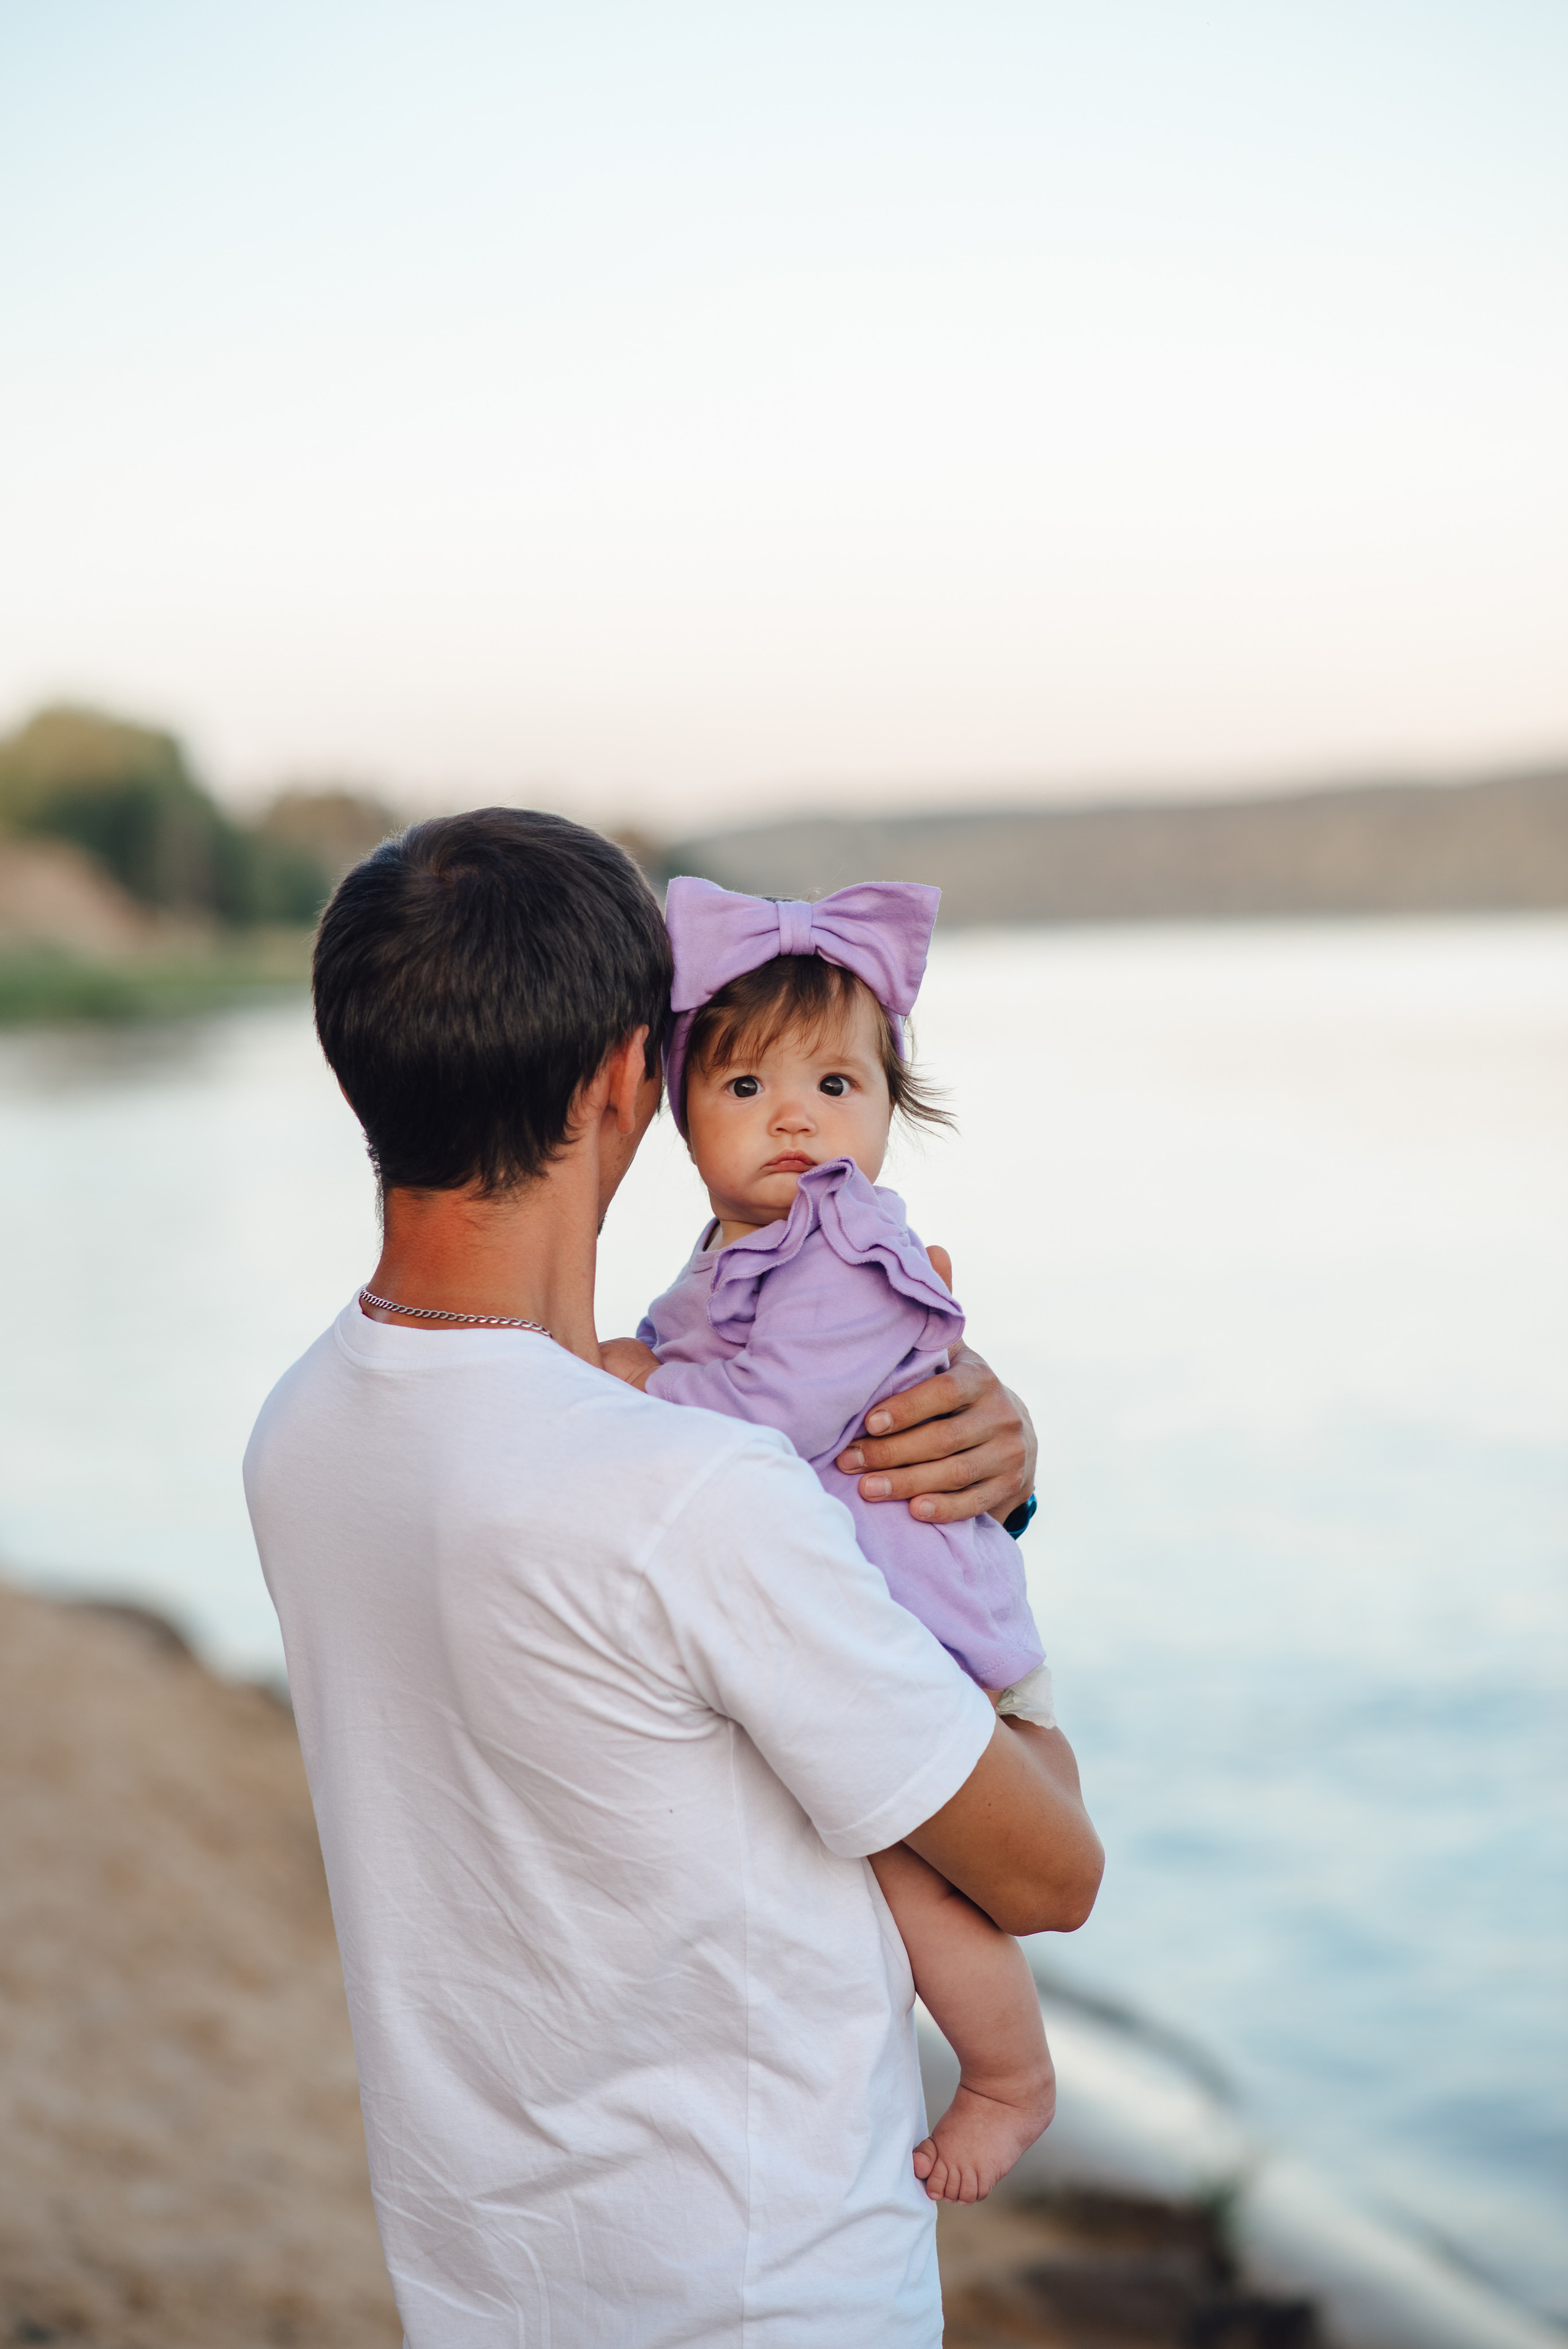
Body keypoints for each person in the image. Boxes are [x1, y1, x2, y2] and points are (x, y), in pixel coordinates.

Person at [244, 809, 1102, 2349]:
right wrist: (985, 1535)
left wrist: (984, 1473)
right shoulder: (692, 1499)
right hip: (766, 2297)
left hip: (483, 2284)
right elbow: (1050, 1872)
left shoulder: (302, 1430)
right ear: (629, 1081)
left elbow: (531, 1442)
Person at [599, 874, 1057, 2206]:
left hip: (927, 1609)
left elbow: (768, 1412)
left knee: (916, 1882)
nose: (795, 1115)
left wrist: (620, 1375)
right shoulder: (735, 1245)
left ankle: (1009, 2077)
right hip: (877, 1602)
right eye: (744, 1088)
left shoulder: (844, 1243)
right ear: (674, 1113)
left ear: (889, 1111)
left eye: (837, 1087)